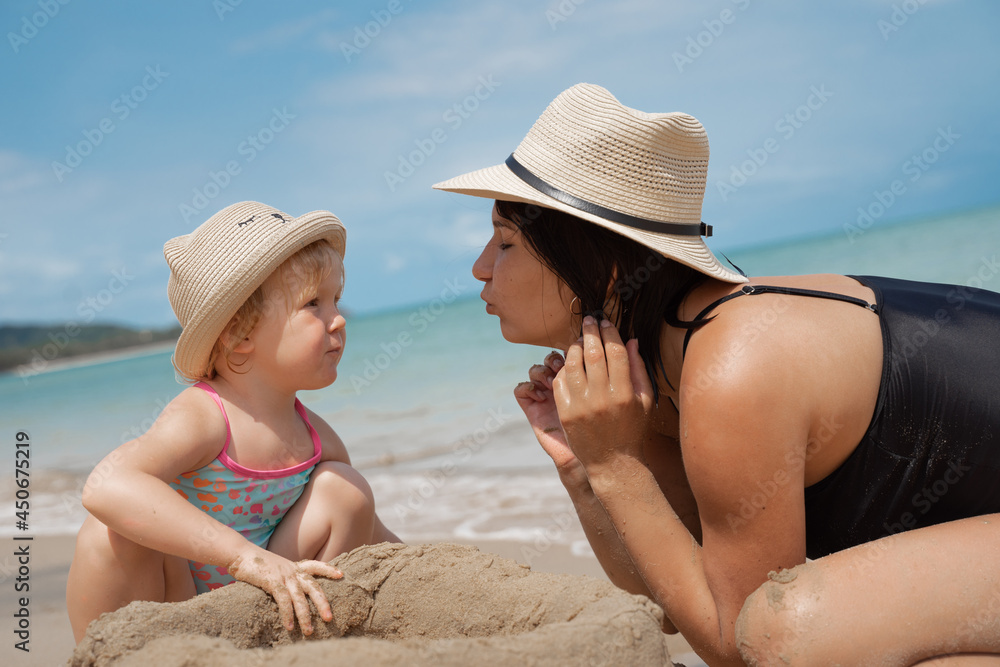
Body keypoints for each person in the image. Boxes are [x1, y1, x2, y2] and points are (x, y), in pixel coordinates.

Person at [433, 83, 1000, 665]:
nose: (479, 268)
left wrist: (616, 466)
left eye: (505, 242)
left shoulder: (735, 363)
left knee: (787, 628)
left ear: (601, 265)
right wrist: (585, 466)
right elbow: (669, 597)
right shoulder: (661, 362)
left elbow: (741, 645)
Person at [67, 201, 399, 642]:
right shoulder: (204, 415)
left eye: (336, 299)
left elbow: (379, 540)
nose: (337, 318)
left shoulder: (319, 440)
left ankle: (301, 642)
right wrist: (243, 556)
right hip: (172, 606)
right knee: (115, 528)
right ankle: (120, 652)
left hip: (257, 612)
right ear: (240, 336)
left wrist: (429, 571)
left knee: (345, 490)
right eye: (313, 303)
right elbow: (105, 486)